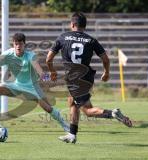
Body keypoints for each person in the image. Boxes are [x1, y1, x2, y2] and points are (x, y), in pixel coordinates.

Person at [46, 12, 132, 144]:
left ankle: (112, 113)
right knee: (73, 103)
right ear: (84, 26)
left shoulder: (63, 37)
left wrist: (52, 71)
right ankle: (72, 134)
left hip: (74, 78)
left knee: (87, 110)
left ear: (73, 24)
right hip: (87, 77)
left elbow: (49, 59)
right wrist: (106, 72)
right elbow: (105, 59)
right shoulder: (91, 40)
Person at [0, 33, 69, 133]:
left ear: (24, 45)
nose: (18, 46)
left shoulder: (31, 56)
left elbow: (39, 70)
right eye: (16, 44)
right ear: (13, 44)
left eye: (20, 44)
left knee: (48, 107)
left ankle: (65, 125)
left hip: (31, 86)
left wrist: (44, 77)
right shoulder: (7, 55)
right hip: (16, 85)